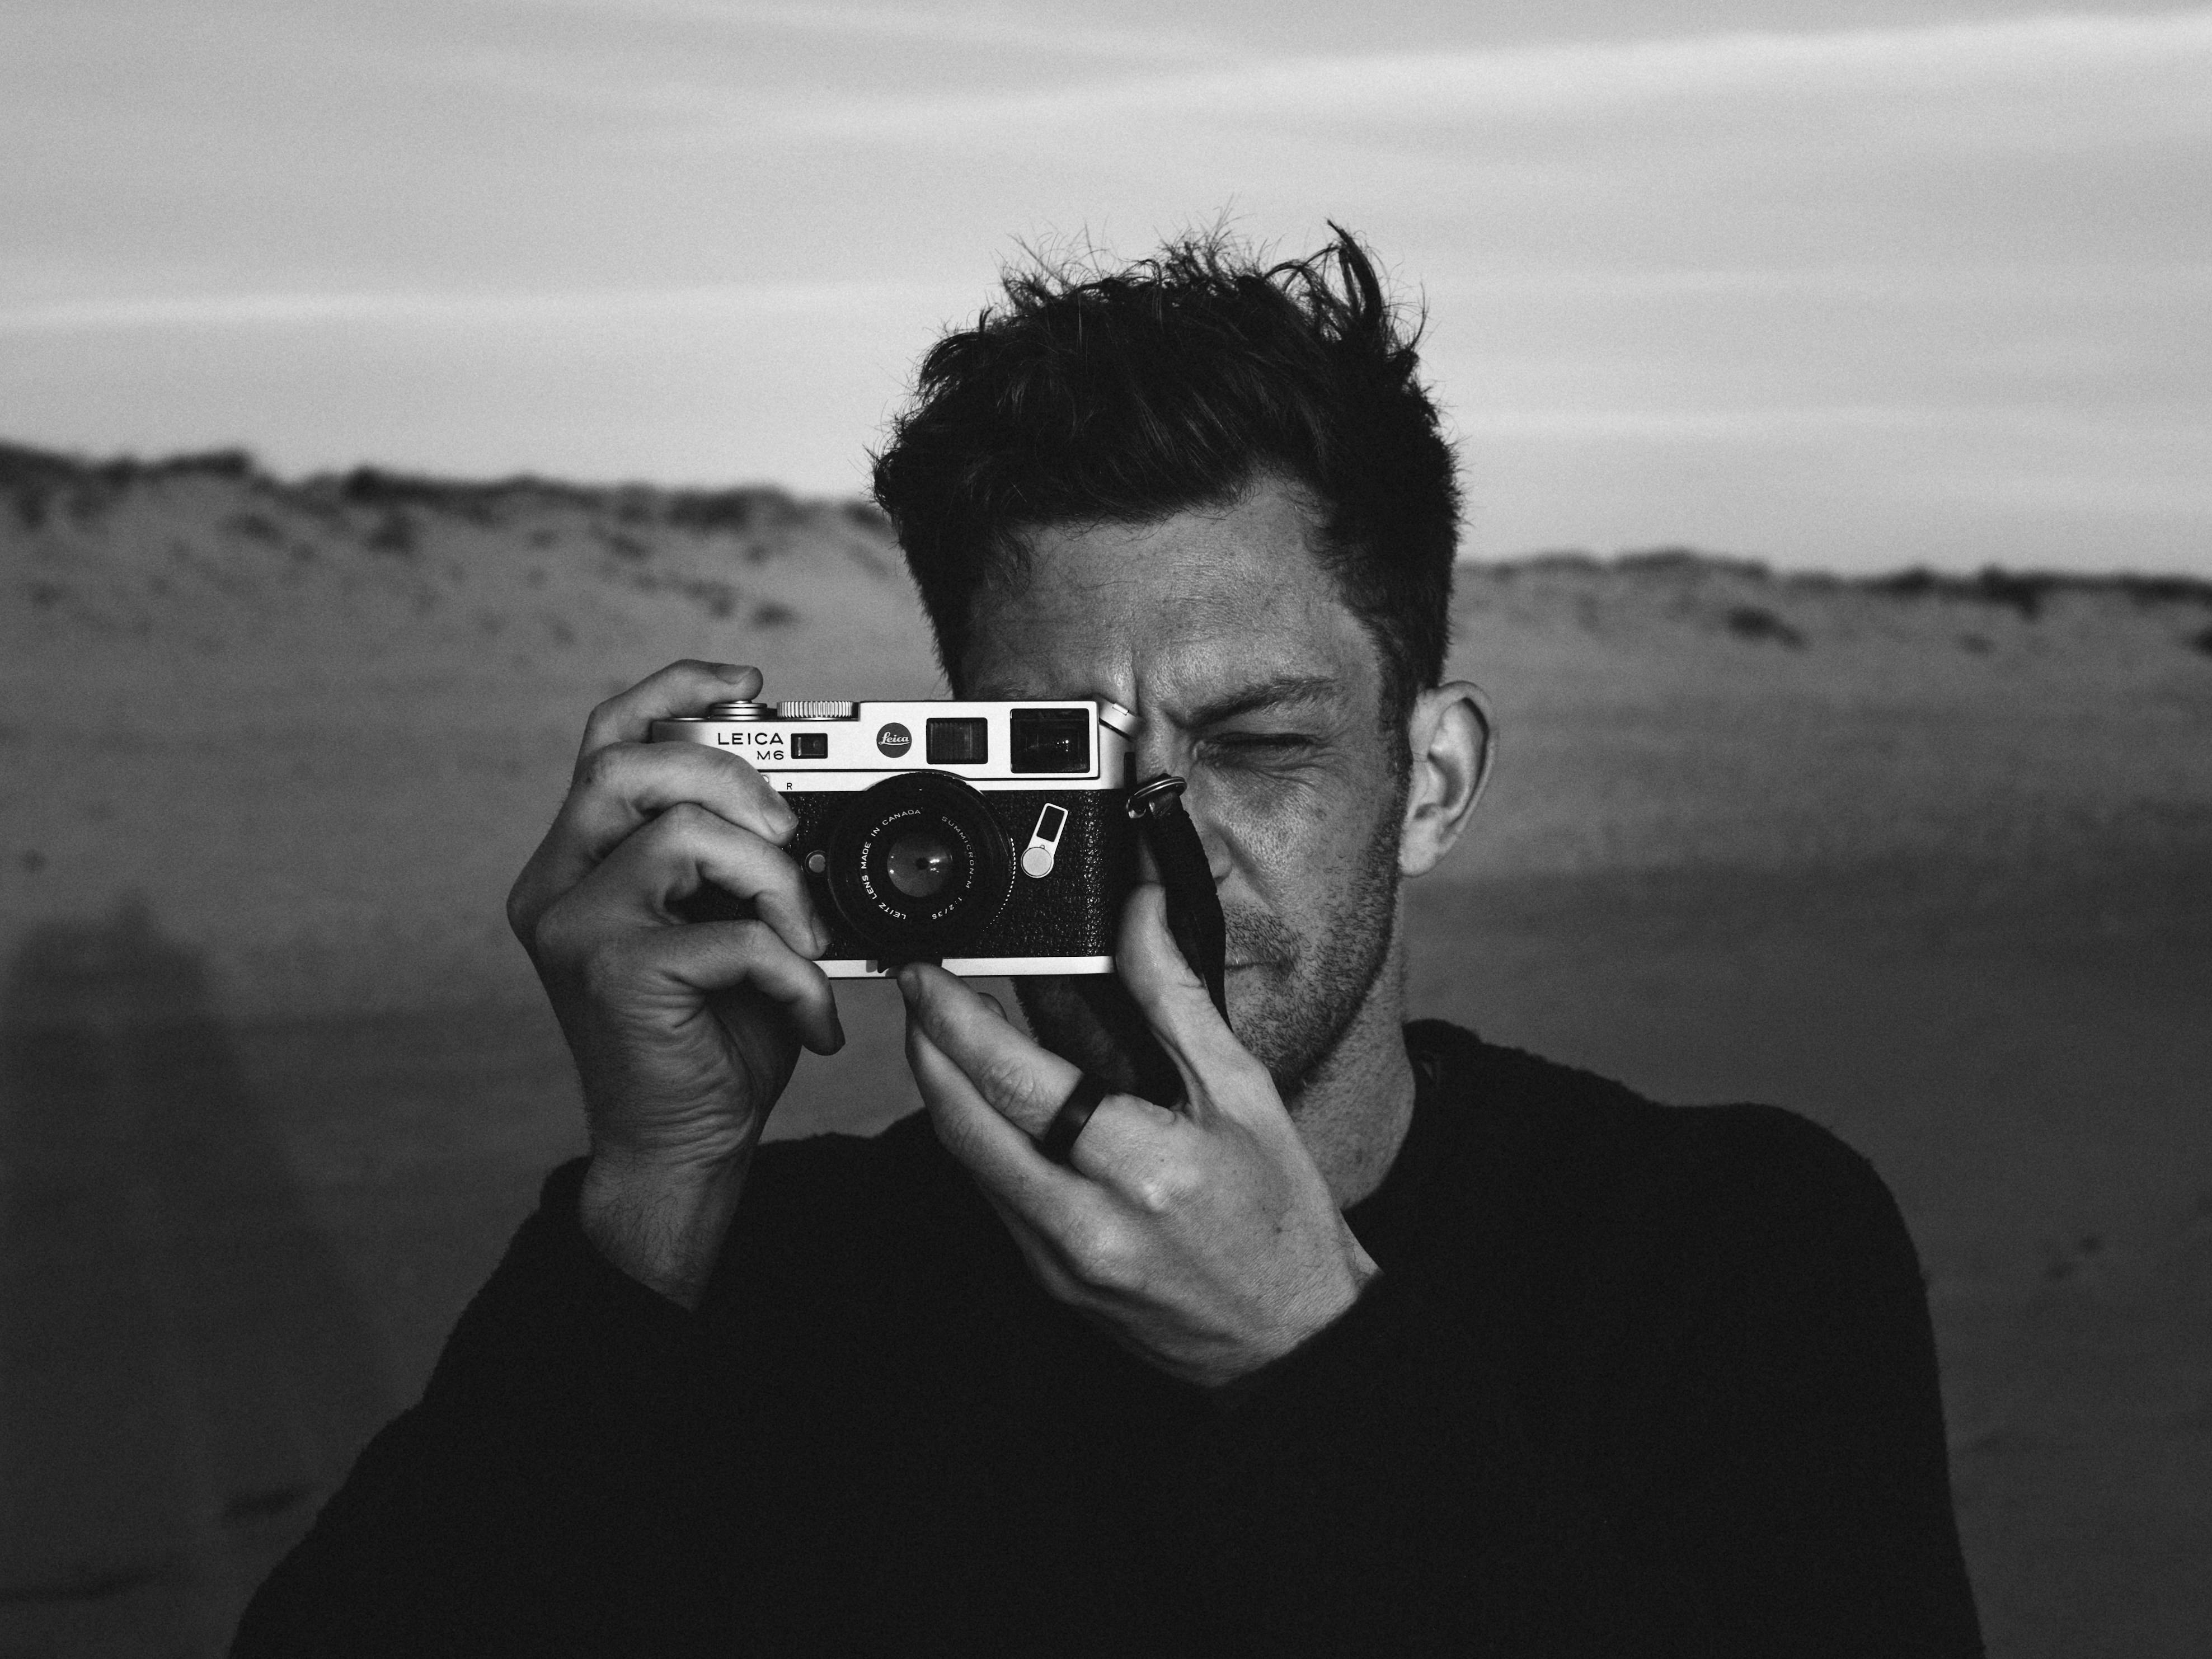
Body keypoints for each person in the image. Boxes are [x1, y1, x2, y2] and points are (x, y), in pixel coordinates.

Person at [234, 229, 1983, 1656]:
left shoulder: (1718, 1248)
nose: (1160, 844)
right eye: (1061, 764)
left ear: (1429, 781)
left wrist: (1310, 1362)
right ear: (940, 780)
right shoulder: (780, 1290)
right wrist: (655, 1178)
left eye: (1256, 746)